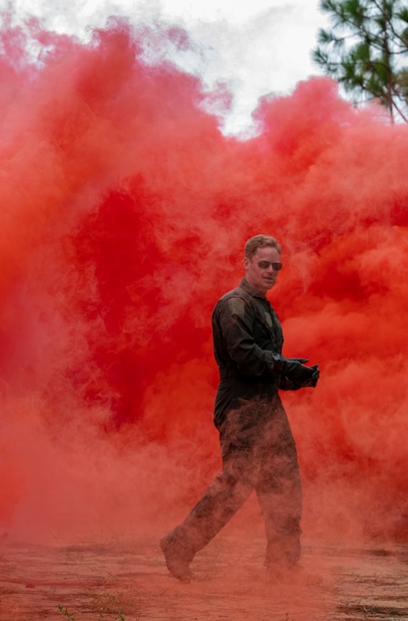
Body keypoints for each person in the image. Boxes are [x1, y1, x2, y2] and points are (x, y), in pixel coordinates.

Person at [160, 234, 320, 582]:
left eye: (276, 266)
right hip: (240, 408)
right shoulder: (233, 304)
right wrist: (285, 366)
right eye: (263, 264)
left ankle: (283, 568)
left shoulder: (262, 306)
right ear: (246, 263)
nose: (270, 271)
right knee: (234, 486)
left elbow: (264, 368)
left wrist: (298, 378)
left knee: (284, 487)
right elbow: (246, 358)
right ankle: (179, 546)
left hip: (267, 407)